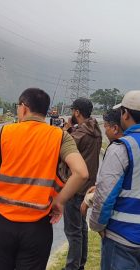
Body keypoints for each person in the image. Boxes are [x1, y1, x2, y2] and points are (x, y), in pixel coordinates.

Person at [0, 88, 89, 270]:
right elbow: (81, 173)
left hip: (3, 223)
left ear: (23, 108)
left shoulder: (5, 132)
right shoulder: (60, 136)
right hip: (38, 225)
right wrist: (59, 201)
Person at [90, 91, 140, 269]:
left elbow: (105, 195)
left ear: (125, 114)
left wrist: (97, 225)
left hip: (123, 238)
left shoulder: (122, 147)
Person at [62, 97, 102, 270]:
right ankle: (80, 265)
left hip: (75, 187)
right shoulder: (96, 130)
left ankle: (72, 267)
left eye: (73, 110)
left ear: (77, 112)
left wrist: (65, 130)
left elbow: (63, 148)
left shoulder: (79, 133)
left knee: (73, 232)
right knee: (81, 229)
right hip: (87, 188)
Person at [80, 108, 123, 216]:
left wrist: (88, 201)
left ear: (115, 128)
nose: (105, 131)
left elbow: (108, 190)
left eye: (106, 126)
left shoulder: (117, 149)